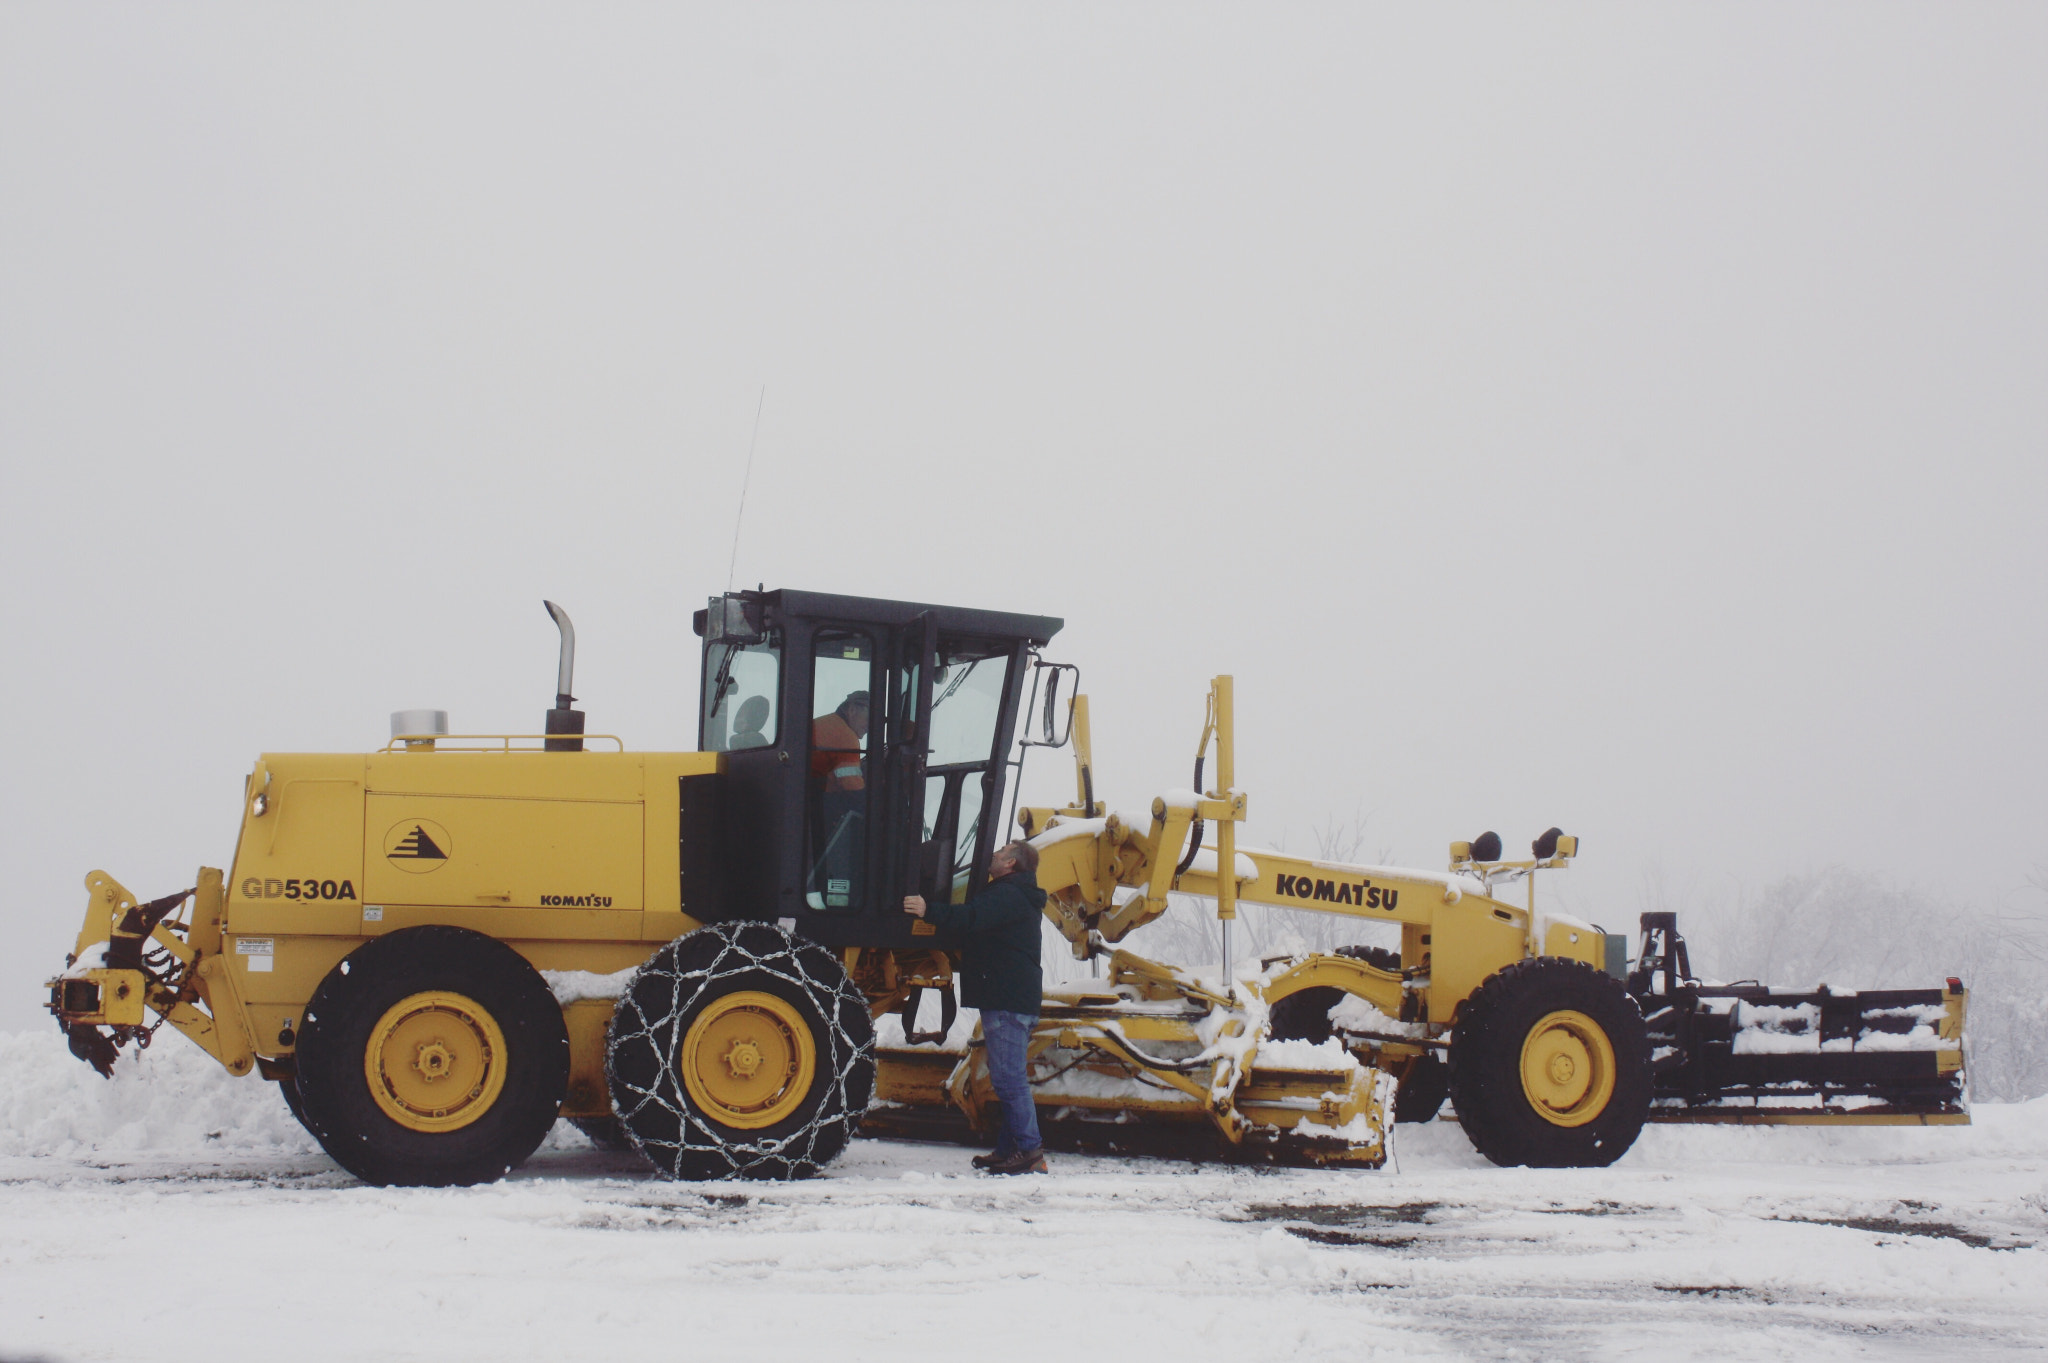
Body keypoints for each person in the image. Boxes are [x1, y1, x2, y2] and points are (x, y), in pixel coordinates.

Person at [903, 840, 1049, 1175]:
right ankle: (1008, 1149)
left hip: (1007, 1000)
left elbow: (971, 917)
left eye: (1000, 853)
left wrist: (928, 910)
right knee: (1005, 1078)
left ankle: (1029, 1151)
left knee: (1009, 1080)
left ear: (1011, 864)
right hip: (1008, 998)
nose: (993, 855)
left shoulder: (1008, 895)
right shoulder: (1013, 894)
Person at [811, 691, 869, 790]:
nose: (869, 727)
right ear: (852, 710)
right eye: (869, 719)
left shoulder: (827, 722)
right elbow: (852, 786)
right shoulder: (847, 738)